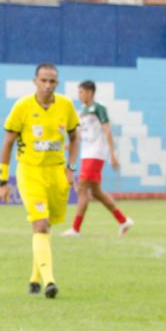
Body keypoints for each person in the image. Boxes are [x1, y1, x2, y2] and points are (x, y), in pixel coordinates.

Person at [0, 63, 79, 299]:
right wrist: (3, 181)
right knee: (40, 223)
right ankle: (49, 281)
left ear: (57, 83)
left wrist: (71, 168)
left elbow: (74, 138)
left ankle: (34, 277)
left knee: (46, 226)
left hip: (55, 173)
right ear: (35, 81)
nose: (47, 85)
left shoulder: (65, 105)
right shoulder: (22, 107)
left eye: (52, 81)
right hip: (30, 171)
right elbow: (7, 144)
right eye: (43, 80)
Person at [61, 80, 133, 237]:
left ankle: (75, 229)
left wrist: (112, 155)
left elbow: (107, 131)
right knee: (97, 192)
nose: (79, 95)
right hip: (86, 155)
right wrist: (64, 146)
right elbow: (79, 136)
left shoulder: (99, 109)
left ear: (89, 92)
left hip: (96, 154)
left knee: (81, 190)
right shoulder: (83, 112)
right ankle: (123, 220)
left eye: (81, 92)